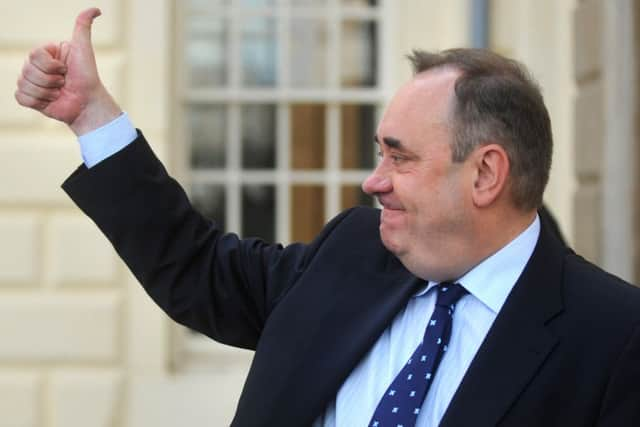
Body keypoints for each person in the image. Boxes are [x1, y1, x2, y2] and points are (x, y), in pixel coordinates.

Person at [16, 8, 640, 427]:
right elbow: (198, 268)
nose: (374, 182)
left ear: (485, 174)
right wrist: (90, 117)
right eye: (379, 153)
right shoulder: (353, 249)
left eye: (400, 157)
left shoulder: (614, 337)